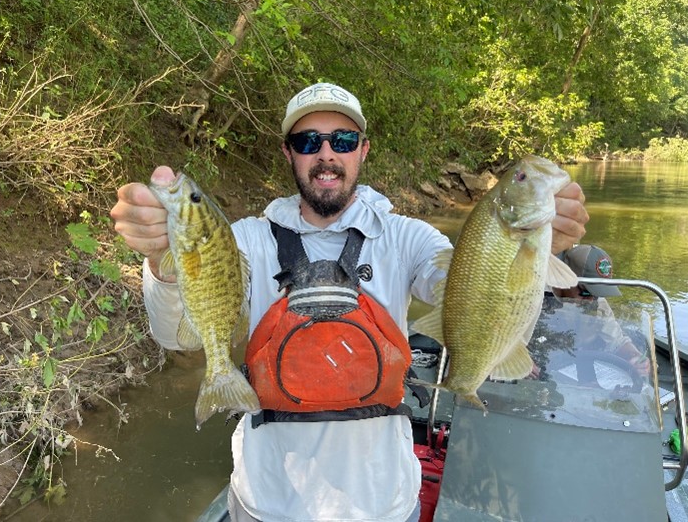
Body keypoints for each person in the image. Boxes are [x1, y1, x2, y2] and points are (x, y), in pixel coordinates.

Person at [110, 82, 589, 521]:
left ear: (362, 150)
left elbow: (475, 296)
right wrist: (160, 263)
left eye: (341, 141)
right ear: (288, 152)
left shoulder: (409, 239)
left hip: (382, 502)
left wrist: (536, 250)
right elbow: (174, 335)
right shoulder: (244, 240)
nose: (325, 155)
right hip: (266, 502)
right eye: (307, 142)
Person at [552, 244, 650, 375]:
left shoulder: (597, 303)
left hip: (575, 367)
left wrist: (636, 357)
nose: (592, 299)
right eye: (587, 291)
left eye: (597, 293)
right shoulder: (533, 296)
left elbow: (617, 342)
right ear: (565, 279)